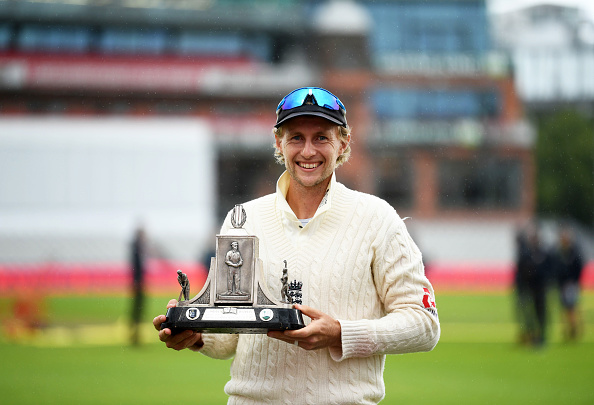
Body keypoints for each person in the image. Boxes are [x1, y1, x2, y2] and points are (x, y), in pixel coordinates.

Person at [153, 86, 440, 404]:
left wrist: (341, 333)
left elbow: (424, 323)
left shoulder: (379, 218)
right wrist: (196, 334)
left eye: (321, 137)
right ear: (279, 142)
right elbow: (230, 336)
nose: (308, 151)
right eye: (296, 138)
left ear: (342, 142)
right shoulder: (243, 218)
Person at [553, 225, 584, 341]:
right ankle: (569, 329)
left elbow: (578, 267)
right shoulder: (559, 252)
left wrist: (574, 280)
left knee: (571, 307)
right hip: (562, 284)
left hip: (571, 284)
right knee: (565, 308)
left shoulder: (574, 252)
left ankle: (573, 328)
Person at [130, 225, 147, 346]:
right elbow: (136, 268)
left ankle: (135, 334)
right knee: (137, 310)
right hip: (138, 283)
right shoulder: (136, 248)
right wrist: (137, 281)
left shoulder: (137, 248)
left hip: (138, 282)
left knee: (137, 310)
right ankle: (134, 335)